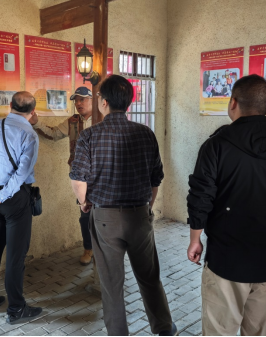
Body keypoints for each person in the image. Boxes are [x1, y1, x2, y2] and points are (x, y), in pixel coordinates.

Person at [187, 74, 266, 336]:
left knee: (220, 329)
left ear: (233, 102)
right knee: (257, 329)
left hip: (226, 257)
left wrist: (195, 239)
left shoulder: (216, 144)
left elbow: (201, 194)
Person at [70, 75, 177, 337]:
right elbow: (156, 178)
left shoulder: (89, 135)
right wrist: (147, 207)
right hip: (139, 215)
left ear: (104, 102)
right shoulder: (145, 133)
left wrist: (84, 203)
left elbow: (78, 178)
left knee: (111, 283)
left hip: (104, 217)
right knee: (149, 277)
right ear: (127, 102)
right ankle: (164, 328)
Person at [0, 91, 43, 324]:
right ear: (32, 112)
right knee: (16, 254)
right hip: (13, 197)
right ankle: (16, 309)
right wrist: (2, 196)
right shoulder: (29, 134)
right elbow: (21, 173)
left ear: (10, 106)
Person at [30, 87, 95, 266]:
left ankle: (104, 249)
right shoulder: (73, 122)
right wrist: (36, 122)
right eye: (76, 100)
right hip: (81, 175)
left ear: (93, 100)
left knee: (104, 213)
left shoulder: (102, 119)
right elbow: (53, 133)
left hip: (102, 174)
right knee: (85, 213)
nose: (78, 103)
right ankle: (88, 249)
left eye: (82, 99)